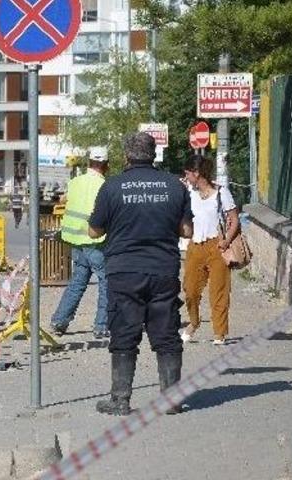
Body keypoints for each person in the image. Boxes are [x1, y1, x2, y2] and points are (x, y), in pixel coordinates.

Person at [88, 132, 193, 416]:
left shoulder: (112, 187)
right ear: (154, 154)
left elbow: (94, 231)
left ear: (126, 156)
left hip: (124, 271)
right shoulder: (175, 186)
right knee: (167, 334)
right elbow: (186, 231)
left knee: (124, 332)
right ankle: (171, 400)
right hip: (163, 270)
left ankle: (120, 400)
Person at [50, 147, 111, 339]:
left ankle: (59, 321)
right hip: (95, 242)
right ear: (106, 165)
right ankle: (101, 326)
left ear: (89, 163)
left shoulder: (75, 182)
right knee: (106, 282)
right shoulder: (104, 186)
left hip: (75, 241)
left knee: (78, 281)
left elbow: (64, 200)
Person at [180, 154, 239, 346]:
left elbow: (234, 220)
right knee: (190, 290)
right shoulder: (188, 191)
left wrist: (226, 240)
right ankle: (194, 322)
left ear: (197, 173)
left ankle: (219, 333)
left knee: (219, 291)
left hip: (217, 245)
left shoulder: (221, 192)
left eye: (188, 173)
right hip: (195, 246)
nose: (186, 176)